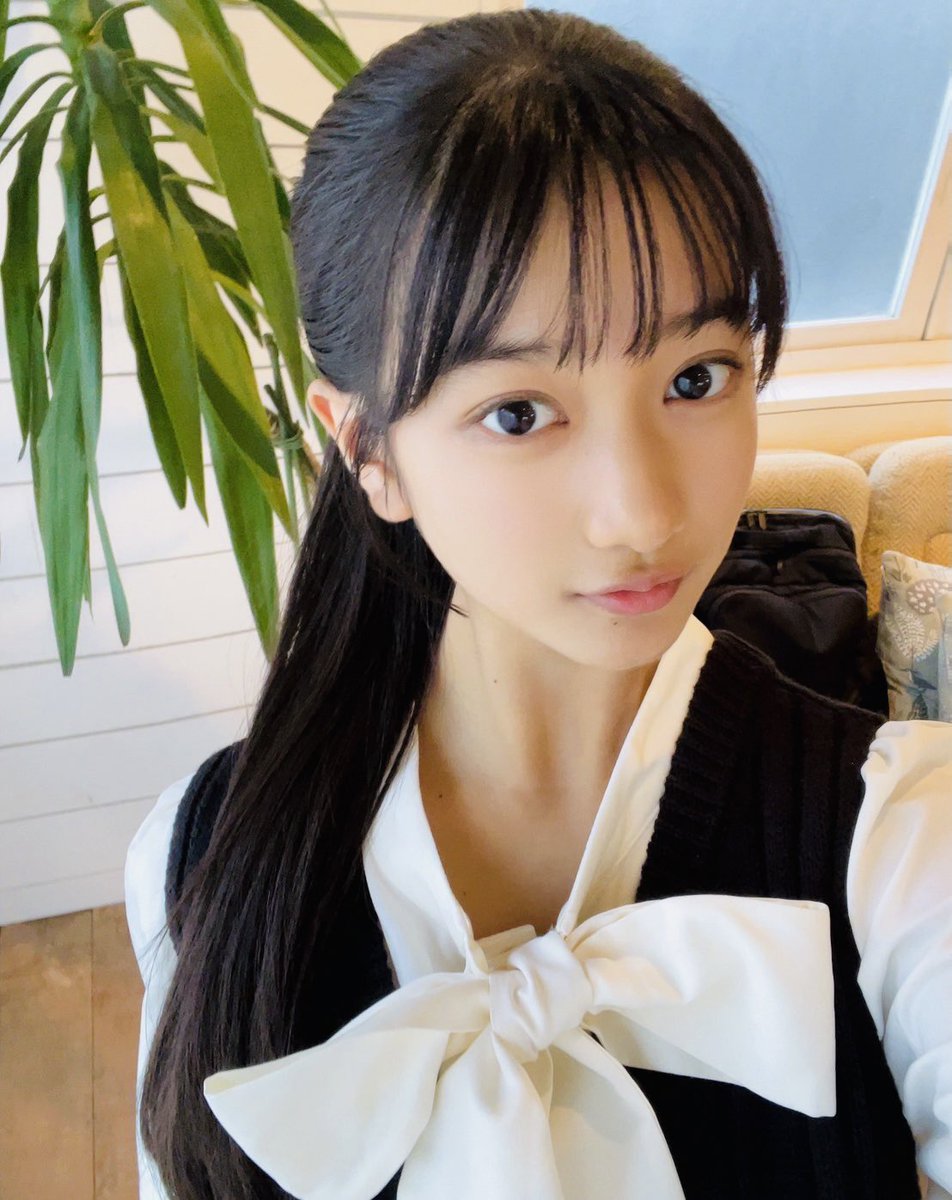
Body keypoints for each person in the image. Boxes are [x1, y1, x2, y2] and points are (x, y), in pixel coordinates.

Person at [123, 8, 952, 1199]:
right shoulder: (200, 860)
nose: (640, 511)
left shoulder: (901, 839)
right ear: (367, 450)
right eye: (517, 412)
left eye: (695, 377)